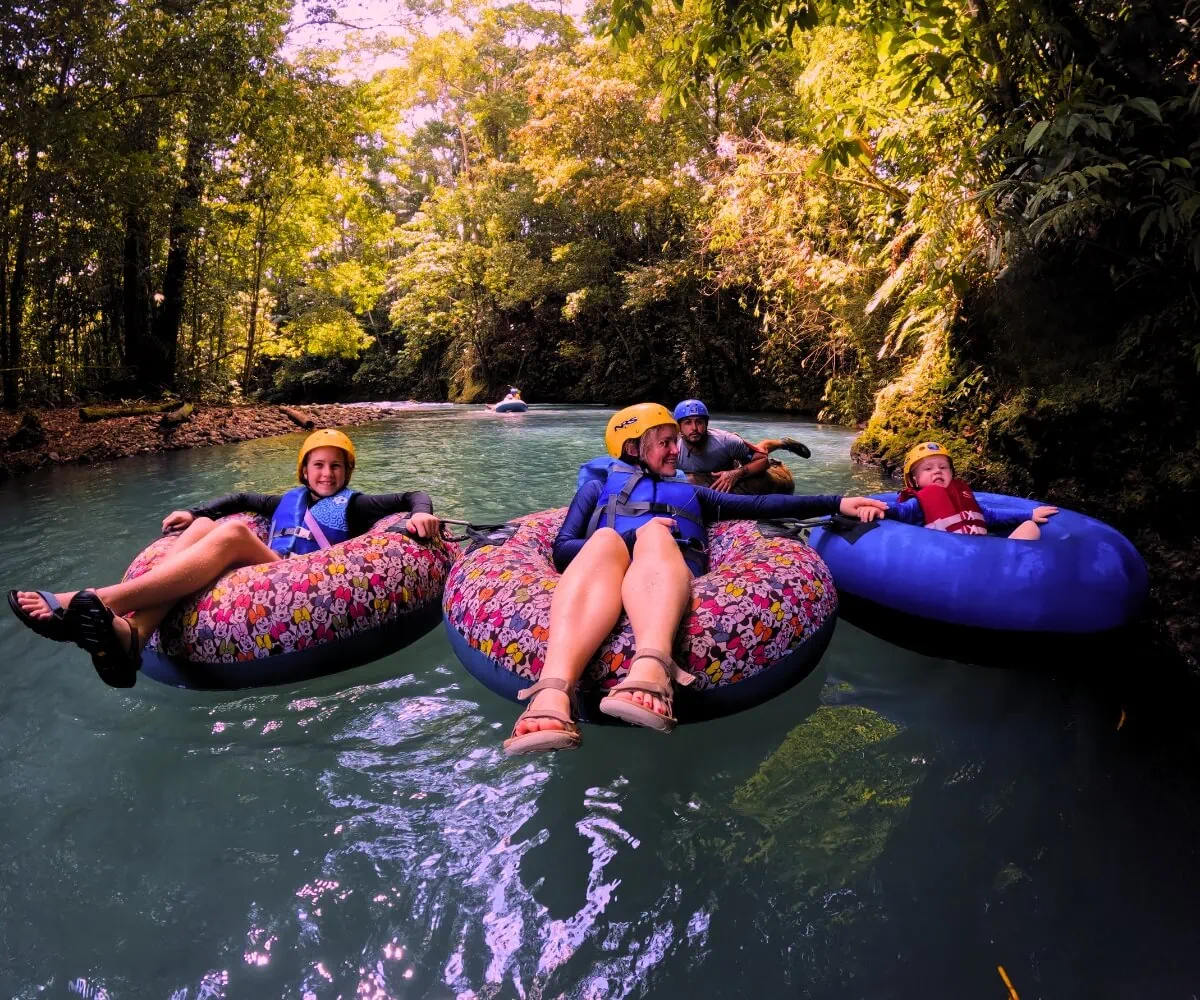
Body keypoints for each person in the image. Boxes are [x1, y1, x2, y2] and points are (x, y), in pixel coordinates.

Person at [502, 403, 887, 755]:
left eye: (676, 442)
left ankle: (651, 667)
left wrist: (836, 502)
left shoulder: (693, 494)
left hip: (669, 570)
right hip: (605, 575)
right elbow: (563, 548)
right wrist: (630, 536)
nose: (677, 450)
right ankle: (552, 693)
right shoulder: (596, 489)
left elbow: (761, 505)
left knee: (656, 534)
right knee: (604, 538)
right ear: (634, 449)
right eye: (666, 443)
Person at [8, 429, 441, 688]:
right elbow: (238, 497)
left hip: (300, 578)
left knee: (232, 531)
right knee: (203, 529)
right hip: (264, 569)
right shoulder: (283, 502)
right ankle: (132, 637)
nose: (326, 474)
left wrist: (422, 515)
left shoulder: (357, 505)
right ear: (304, 471)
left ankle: (96, 599)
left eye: (336, 467)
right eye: (318, 466)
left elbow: (411, 495)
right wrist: (195, 512)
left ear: (347, 472)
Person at [860, 441, 1057, 539]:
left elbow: (990, 515)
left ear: (951, 473)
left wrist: (1029, 513)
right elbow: (901, 511)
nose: (937, 471)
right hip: (950, 559)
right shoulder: (918, 504)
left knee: (1030, 527)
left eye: (943, 467)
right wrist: (878, 508)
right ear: (914, 480)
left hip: (982, 552)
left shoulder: (962, 496)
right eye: (928, 469)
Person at [672, 399, 812, 495]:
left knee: (760, 450)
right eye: (687, 423)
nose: (694, 428)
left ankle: (783, 443)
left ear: (706, 424)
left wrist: (736, 473)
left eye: (699, 422)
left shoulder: (725, 441)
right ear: (679, 427)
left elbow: (763, 461)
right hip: (713, 473)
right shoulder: (673, 448)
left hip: (734, 465)